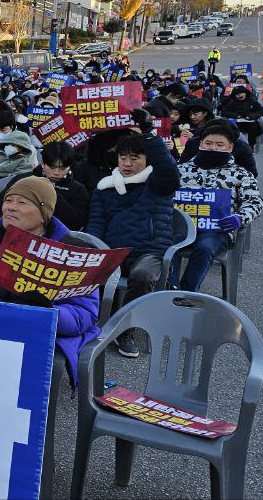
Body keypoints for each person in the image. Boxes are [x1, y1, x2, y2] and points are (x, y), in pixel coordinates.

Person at [0, 176, 101, 383]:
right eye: (8, 200)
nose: (10, 208)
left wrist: (49, 313)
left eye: (22, 202)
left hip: (31, 337)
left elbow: (83, 313)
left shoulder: (75, 254)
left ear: (43, 214)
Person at [84, 131, 180, 358]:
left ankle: (125, 330)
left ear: (147, 159)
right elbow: (96, 225)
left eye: (135, 158)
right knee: (85, 269)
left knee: (143, 276)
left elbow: (170, 173)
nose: (127, 163)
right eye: (123, 158)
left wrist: (150, 136)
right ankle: (89, 324)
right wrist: (93, 252)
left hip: (150, 252)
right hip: (114, 252)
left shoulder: (158, 183)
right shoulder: (104, 187)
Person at [173, 122, 262, 291]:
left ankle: (186, 294)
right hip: (181, 227)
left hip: (217, 230)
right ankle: (170, 290)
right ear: (200, 144)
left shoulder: (240, 173)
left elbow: (255, 201)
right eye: (208, 143)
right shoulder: (180, 170)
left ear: (230, 148)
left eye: (219, 145)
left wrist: (239, 218)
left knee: (205, 247)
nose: (213, 148)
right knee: (167, 244)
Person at [0, 141, 91, 231]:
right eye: (52, 167)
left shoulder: (78, 190)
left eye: (62, 168)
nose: (57, 172)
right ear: (43, 164)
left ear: (69, 167)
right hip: (13, 231)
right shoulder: (23, 180)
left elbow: (76, 224)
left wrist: (51, 194)